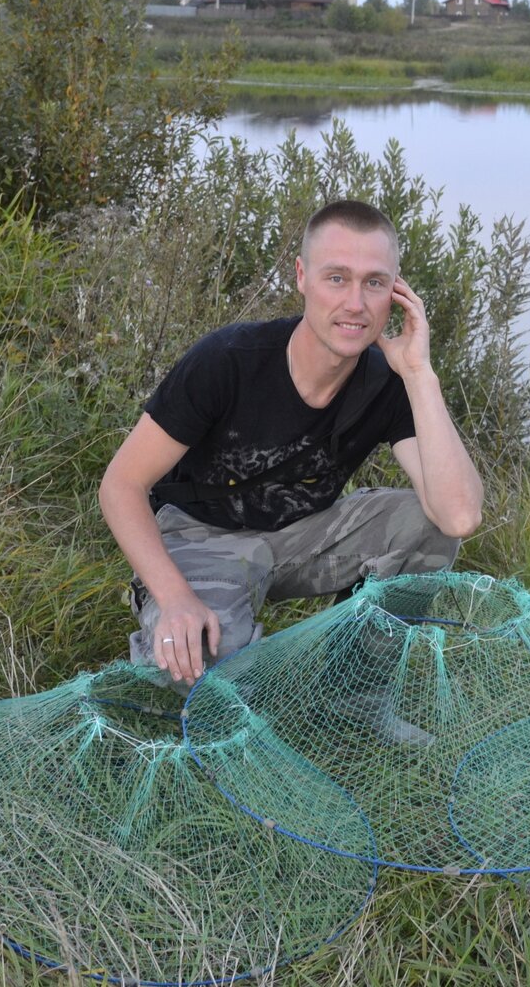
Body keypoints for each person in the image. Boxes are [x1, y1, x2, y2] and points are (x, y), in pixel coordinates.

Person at [99, 199, 484, 700]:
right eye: (336, 278)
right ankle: (186, 640)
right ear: (301, 276)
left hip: (303, 538)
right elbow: (121, 486)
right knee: (202, 673)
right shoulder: (228, 362)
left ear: (396, 293)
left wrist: (418, 374)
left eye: (374, 283)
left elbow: (457, 516)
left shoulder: (388, 380)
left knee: (424, 524)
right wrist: (174, 599)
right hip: (201, 538)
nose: (355, 304)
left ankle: (355, 693)